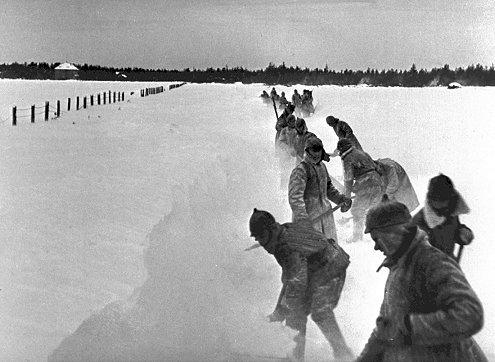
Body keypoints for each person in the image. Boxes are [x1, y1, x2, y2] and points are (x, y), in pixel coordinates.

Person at [355, 195, 487, 362]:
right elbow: (385, 330)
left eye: (377, 239)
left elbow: (470, 314)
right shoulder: (397, 268)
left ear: (395, 232)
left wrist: (409, 328)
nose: (375, 247)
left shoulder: (431, 262)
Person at [248, 209, 354, 362]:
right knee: (295, 312)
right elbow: (289, 280)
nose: (263, 244)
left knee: (320, 310)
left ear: (272, 230)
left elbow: (297, 281)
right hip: (316, 269)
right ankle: (295, 357)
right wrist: (279, 310)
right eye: (258, 240)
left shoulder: (285, 245)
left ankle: (343, 354)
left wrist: (281, 311)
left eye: (263, 237)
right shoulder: (281, 236)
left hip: (332, 265)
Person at [289, 137, 352, 242]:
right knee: (312, 253)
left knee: (330, 251)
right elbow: (295, 198)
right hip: (310, 220)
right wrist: (302, 218)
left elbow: (328, 188)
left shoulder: (322, 167)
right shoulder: (300, 170)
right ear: (307, 151)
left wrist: (340, 199)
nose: (316, 156)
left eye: (318, 152)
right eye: (313, 153)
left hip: (325, 217)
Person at [411, 174, 473, 260]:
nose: (443, 210)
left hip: (448, 263)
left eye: (445, 206)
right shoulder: (419, 222)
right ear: (431, 201)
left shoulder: (450, 214)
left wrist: (462, 233)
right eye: (439, 206)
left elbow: (455, 231)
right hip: (427, 269)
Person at [337, 138, 381, 242]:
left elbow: (348, 179)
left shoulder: (347, 158)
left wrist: (347, 198)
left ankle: (357, 237)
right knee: (372, 209)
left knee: (357, 210)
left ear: (342, 149)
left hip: (365, 185)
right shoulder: (362, 153)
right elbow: (376, 167)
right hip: (377, 183)